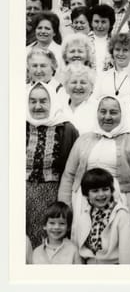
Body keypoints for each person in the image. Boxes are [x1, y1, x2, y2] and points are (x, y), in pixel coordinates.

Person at [58, 95, 130, 226]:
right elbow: (69, 175)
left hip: (121, 204)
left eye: (113, 112)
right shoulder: (83, 140)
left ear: (122, 114)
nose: (107, 117)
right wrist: (66, 208)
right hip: (83, 204)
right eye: (103, 111)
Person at [26, 82, 79, 247]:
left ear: (53, 102)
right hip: (21, 195)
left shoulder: (67, 129)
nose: (38, 106)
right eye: (33, 101)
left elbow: (73, 170)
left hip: (53, 196)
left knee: (49, 243)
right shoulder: (16, 124)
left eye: (43, 101)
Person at [74, 168, 130, 264]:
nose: (101, 194)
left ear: (111, 191)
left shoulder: (121, 214)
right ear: (87, 194)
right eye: (95, 191)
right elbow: (79, 249)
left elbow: (127, 252)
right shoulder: (85, 215)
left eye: (105, 189)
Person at [94, 33, 130, 102]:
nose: (120, 54)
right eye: (117, 49)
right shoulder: (102, 76)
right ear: (112, 52)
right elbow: (94, 99)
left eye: (125, 50)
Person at [62, 61, 98, 135]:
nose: (78, 87)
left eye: (83, 82)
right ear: (65, 86)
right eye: (74, 82)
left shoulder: (98, 109)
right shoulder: (59, 109)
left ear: (92, 87)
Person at [90, 4, 115, 74]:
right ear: (91, 22)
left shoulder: (116, 43)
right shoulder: (83, 42)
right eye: (96, 21)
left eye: (103, 22)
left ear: (110, 24)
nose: (100, 26)